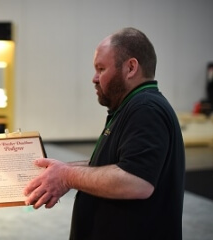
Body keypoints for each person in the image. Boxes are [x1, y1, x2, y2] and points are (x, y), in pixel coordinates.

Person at [24, 27, 185, 240]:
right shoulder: (131, 107)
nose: (94, 78)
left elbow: (136, 182)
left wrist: (66, 176)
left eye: (101, 69)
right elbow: (115, 165)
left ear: (130, 67)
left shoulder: (146, 108)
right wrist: (60, 170)